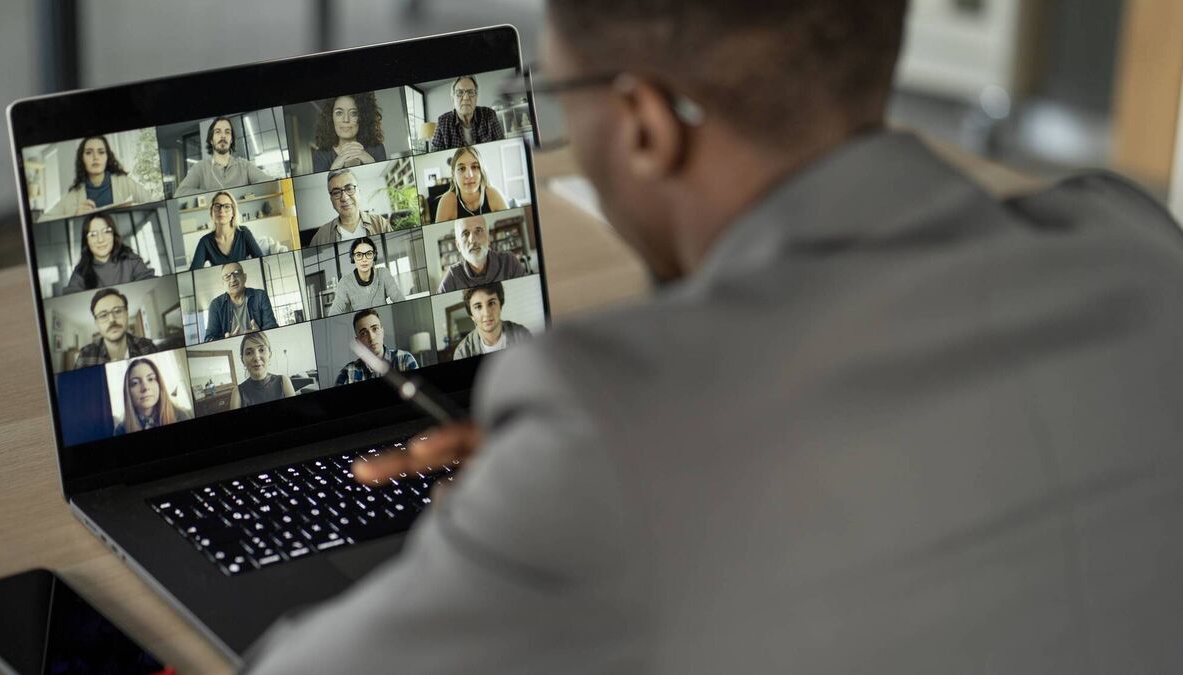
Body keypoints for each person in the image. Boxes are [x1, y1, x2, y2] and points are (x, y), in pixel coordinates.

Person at [247, 1, 1183, 673]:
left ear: (648, 124)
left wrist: (520, 515)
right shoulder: (1137, 244)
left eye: (565, 94)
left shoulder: (605, 420)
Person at [40, 135, 154, 221]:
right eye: (89, 153)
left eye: (101, 152)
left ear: (107, 157)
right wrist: (74, 215)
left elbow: (153, 203)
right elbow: (42, 220)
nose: (95, 157)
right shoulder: (73, 195)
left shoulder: (124, 182)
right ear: (82, 159)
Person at [174, 117, 273, 197]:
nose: (223, 136)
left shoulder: (244, 165)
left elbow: (269, 182)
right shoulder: (200, 168)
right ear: (211, 140)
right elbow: (180, 193)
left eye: (227, 132)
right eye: (218, 132)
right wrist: (214, 195)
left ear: (231, 140)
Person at [62, 213, 155, 293]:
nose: (101, 239)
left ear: (113, 235)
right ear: (86, 241)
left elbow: (149, 282)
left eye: (106, 231)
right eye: (93, 234)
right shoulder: (80, 272)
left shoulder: (131, 260)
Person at [73, 288, 159, 369]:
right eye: (103, 315)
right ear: (97, 323)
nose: (112, 320)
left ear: (126, 314)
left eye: (117, 311)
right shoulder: (85, 355)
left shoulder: (147, 346)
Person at [436, 215, 526, 292]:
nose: (473, 240)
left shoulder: (509, 262)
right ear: (458, 245)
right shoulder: (452, 277)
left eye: (478, 231)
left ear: (488, 238)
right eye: (465, 234)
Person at [308, 168, 391, 246]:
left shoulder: (380, 223)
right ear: (331, 200)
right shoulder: (321, 236)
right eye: (336, 193)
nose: (344, 198)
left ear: (359, 192)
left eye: (349, 188)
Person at [335, 308, 418, 385]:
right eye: (363, 333)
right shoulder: (347, 373)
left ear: (382, 331)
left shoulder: (405, 360)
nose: (371, 337)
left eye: (375, 329)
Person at [452, 282, 531, 359]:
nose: (486, 313)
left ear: (500, 306)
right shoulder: (462, 353)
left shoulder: (522, 335)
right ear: (471, 315)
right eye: (478, 307)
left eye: (492, 303)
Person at [311, 93, 388, 172]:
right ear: (331, 118)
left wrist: (371, 162)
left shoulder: (377, 148)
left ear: (362, 117)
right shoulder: (320, 156)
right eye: (339, 113)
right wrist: (335, 167)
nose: (346, 119)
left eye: (353, 113)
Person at [113, 357, 192, 434]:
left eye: (150, 379)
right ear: (128, 392)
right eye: (135, 383)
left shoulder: (181, 416)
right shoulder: (121, 430)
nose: (145, 388)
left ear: (159, 384)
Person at [433, 145, 509, 223]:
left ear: (481, 171)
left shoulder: (494, 194)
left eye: (475, 167)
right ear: (453, 174)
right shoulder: (446, 201)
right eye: (461, 168)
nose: (469, 175)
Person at [204, 262, 278, 342]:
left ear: (244, 277)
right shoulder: (216, 305)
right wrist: (226, 340)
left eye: (236, 273)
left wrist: (259, 334)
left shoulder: (260, 296)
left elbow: (272, 327)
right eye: (227, 276)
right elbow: (209, 339)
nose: (233, 279)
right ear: (223, 283)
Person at [329, 236, 405, 314]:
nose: (364, 259)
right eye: (359, 255)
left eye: (369, 254)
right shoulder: (345, 282)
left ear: (374, 256)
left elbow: (399, 299)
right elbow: (335, 310)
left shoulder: (383, 274)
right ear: (353, 258)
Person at [189, 191, 264, 269]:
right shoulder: (205, 242)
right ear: (212, 212)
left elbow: (262, 261)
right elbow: (193, 272)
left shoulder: (244, 233)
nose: (221, 210)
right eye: (217, 206)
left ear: (233, 213)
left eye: (227, 206)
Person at [429, 75, 506, 151]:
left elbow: (502, 147)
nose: (466, 97)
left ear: (476, 97)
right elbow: (435, 156)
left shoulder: (489, 115)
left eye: (470, 92)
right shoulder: (442, 122)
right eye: (460, 92)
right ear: (453, 99)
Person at [236, 331, 296, 407]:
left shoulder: (283, 381)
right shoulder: (237, 392)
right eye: (249, 353)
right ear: (243, 360)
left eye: (261, 350)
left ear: (270, 355)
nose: (256, 358)